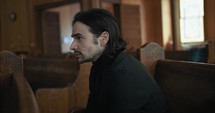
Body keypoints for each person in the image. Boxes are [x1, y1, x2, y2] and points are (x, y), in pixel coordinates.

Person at [70, 8, 169, 113]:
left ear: (103, 39)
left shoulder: (124, 73)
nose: (72, 46)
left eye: (79, 38)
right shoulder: (98, 66)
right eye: (73, 38)